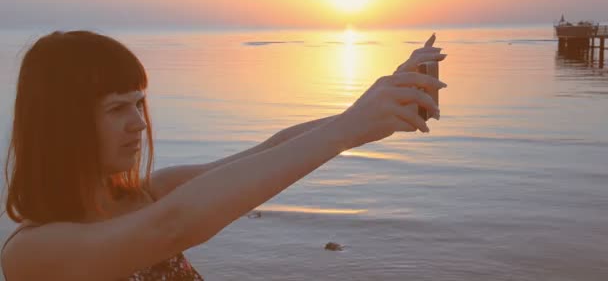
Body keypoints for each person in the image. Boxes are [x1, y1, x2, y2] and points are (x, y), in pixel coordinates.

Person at [0, 30, 447, 280]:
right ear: (61, 124)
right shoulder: (32, 253)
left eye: (139, 103)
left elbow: (268, 151)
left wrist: (372, 109)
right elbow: (173, 227)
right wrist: (348, 128)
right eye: (117, 108)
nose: (138, 122)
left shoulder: (148, 194)